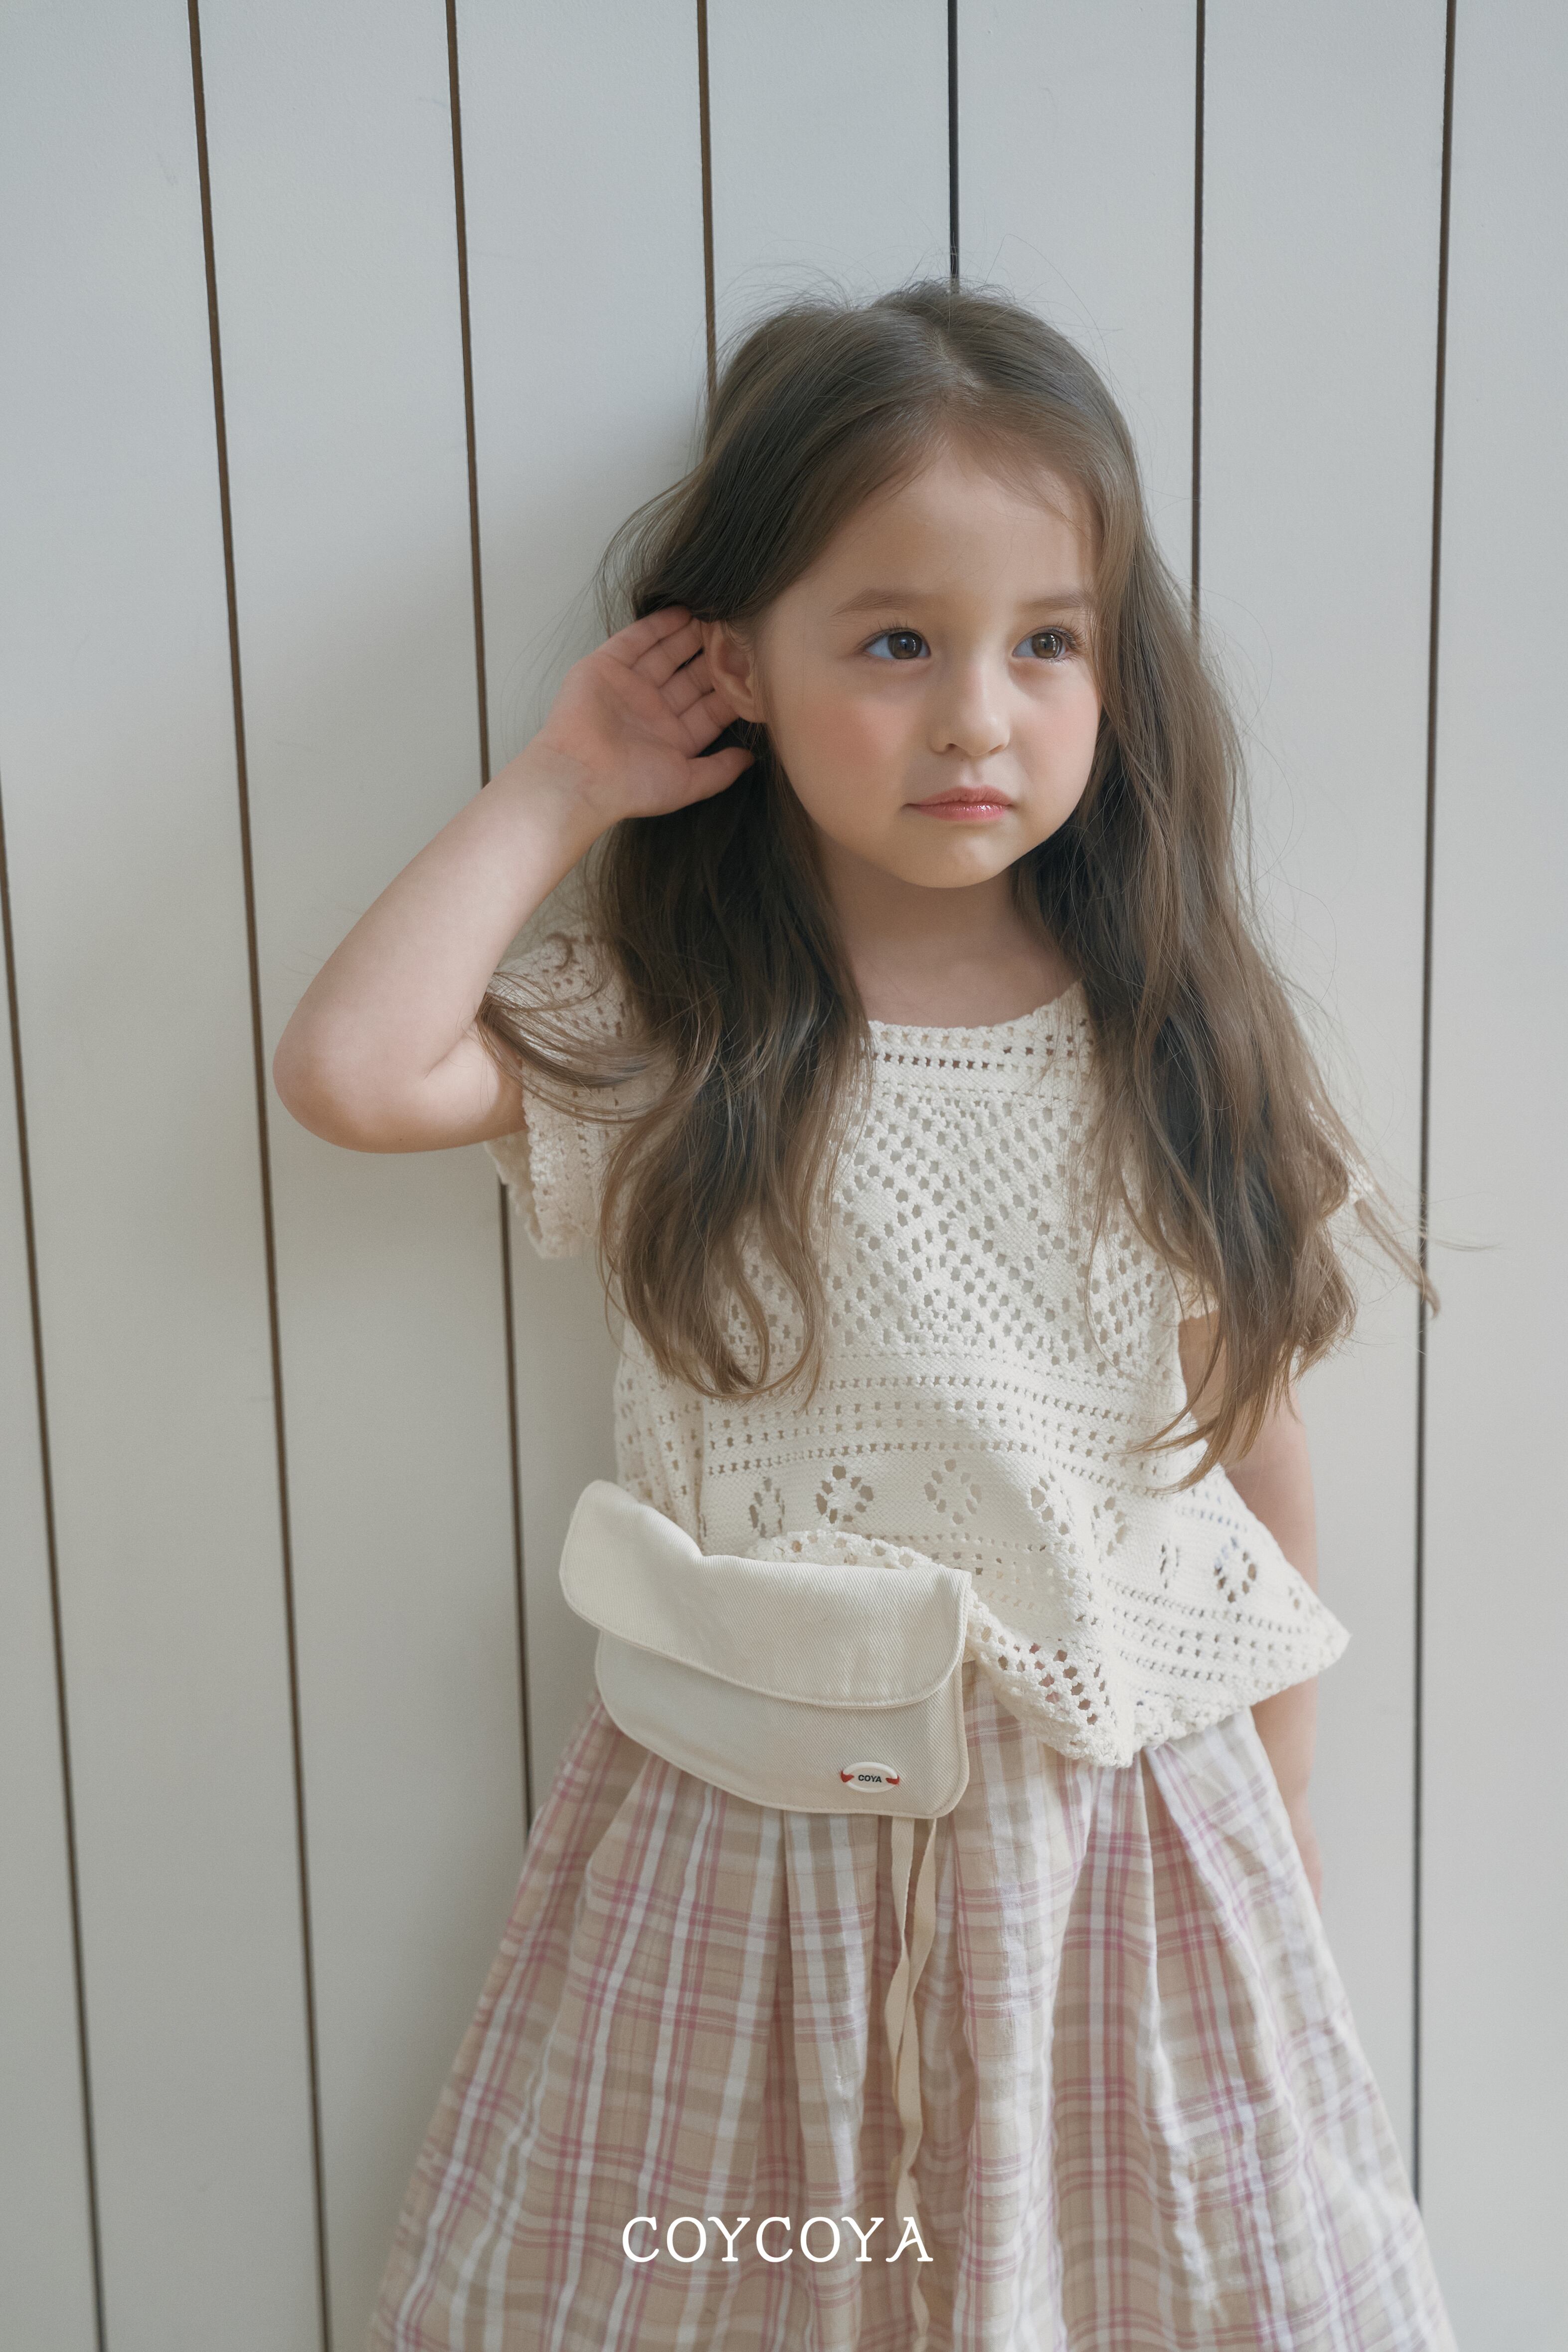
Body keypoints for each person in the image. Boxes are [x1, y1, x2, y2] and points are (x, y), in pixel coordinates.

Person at [274, 281, 1457, 2351]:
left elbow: (1246, 1453)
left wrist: (1277, 1809)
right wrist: (572, 776)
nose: (976, 717)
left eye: (1046, 643)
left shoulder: (1165, 1041)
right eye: (895, 642)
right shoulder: (680, 1030)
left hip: (1117, 1842)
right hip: (758, 1841)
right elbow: (356, 1070)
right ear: (737, 661)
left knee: (1126, 2280)